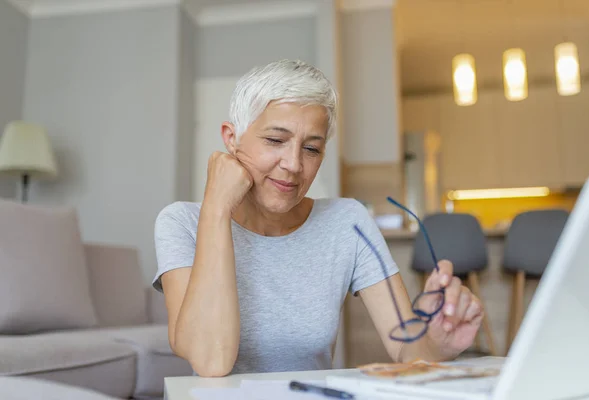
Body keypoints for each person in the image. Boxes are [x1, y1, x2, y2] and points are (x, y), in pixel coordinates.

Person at [153, 59, 484, 378]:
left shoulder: (349, 222)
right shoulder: (181, 223)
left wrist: (439, 341)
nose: (294, 164)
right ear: (231, 138)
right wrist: (216, 207)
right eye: (275, 140)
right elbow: (210, 360)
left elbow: (408, 348)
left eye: (311, 149)